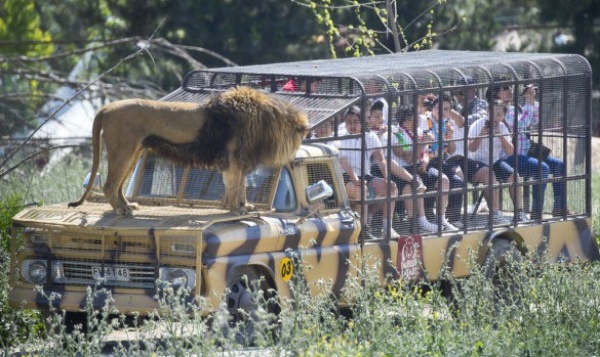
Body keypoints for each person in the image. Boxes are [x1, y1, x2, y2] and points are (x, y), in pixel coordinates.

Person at [489, 84, 564, 219]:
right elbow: (521, 124)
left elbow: (534, 120)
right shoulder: (498, 109)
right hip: (508, 157)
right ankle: (536, 212)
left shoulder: (514, 108)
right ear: (496, 93)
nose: (510, 90)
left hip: (526, 153)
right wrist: (528, 103)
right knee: (542, 168)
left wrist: (531, 99)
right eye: (505, 88)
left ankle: (559, 208)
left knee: (559, 165)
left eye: (511, 87)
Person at [336, 105, 400, 238]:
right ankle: (363, 230)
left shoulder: (370, 137)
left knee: (391, 187)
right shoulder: (341, 136)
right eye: (348, 122)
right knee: (361, 190)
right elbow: (343, 161)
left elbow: (381, 159)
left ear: (362, 121)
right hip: (344, 176)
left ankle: (387, 228)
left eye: (355, 122)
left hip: (364, 175)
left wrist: (387, 177)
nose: (352, 125)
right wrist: (355, 180)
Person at [468, 99, 529, 222]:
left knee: (514, 176)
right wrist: (480, 135)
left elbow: (510, 151)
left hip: (494, 161)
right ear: (487, 112)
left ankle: (519, 213)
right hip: (475, 163)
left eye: (499, 114)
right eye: (493, 113)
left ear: (503, 116)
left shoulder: (502, 127)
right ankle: (495, 213)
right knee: (489, 175)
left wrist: (501, 137)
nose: (495, 117)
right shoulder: (477, 125)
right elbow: (471, 148)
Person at [391, 105, 440, 233]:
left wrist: (425, 162)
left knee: (441, 180)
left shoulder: (418, 131)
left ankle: (439, 216)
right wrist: (423, 142)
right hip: (402, 169)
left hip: (419, 166)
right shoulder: (398, 133)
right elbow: (407, 157)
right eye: (413, 120)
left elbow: (425, 153)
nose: (417, 122)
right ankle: (420, 221)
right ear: (405, 122)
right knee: (415, 186)